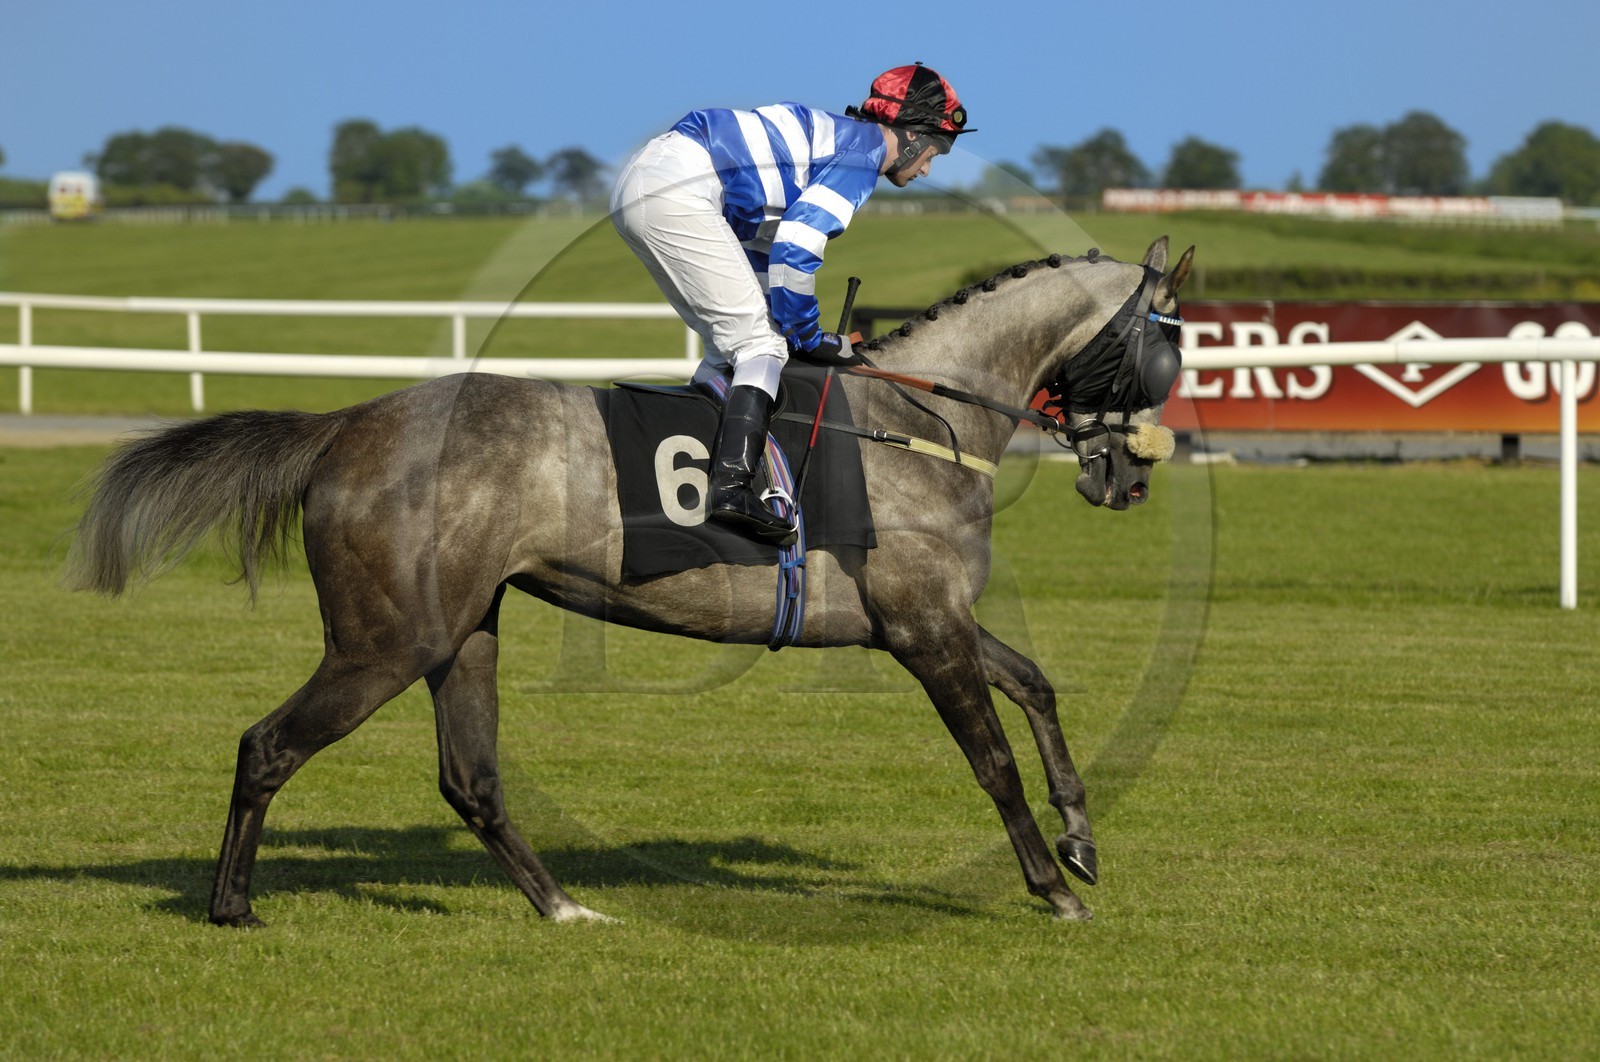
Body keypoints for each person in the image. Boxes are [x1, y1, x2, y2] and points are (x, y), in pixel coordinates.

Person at [610, 63, 973, 545]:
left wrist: (796, 330)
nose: (928, 167)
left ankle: (700, 468)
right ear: (910, 135)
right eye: (935, 150)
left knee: (733, 350)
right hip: (678, 188)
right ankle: (731, 491)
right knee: (761, 346)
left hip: (647, 183)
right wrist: (805, 335)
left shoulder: (832, 144)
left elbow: (759, 253)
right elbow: (797, 248)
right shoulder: (863, 152)